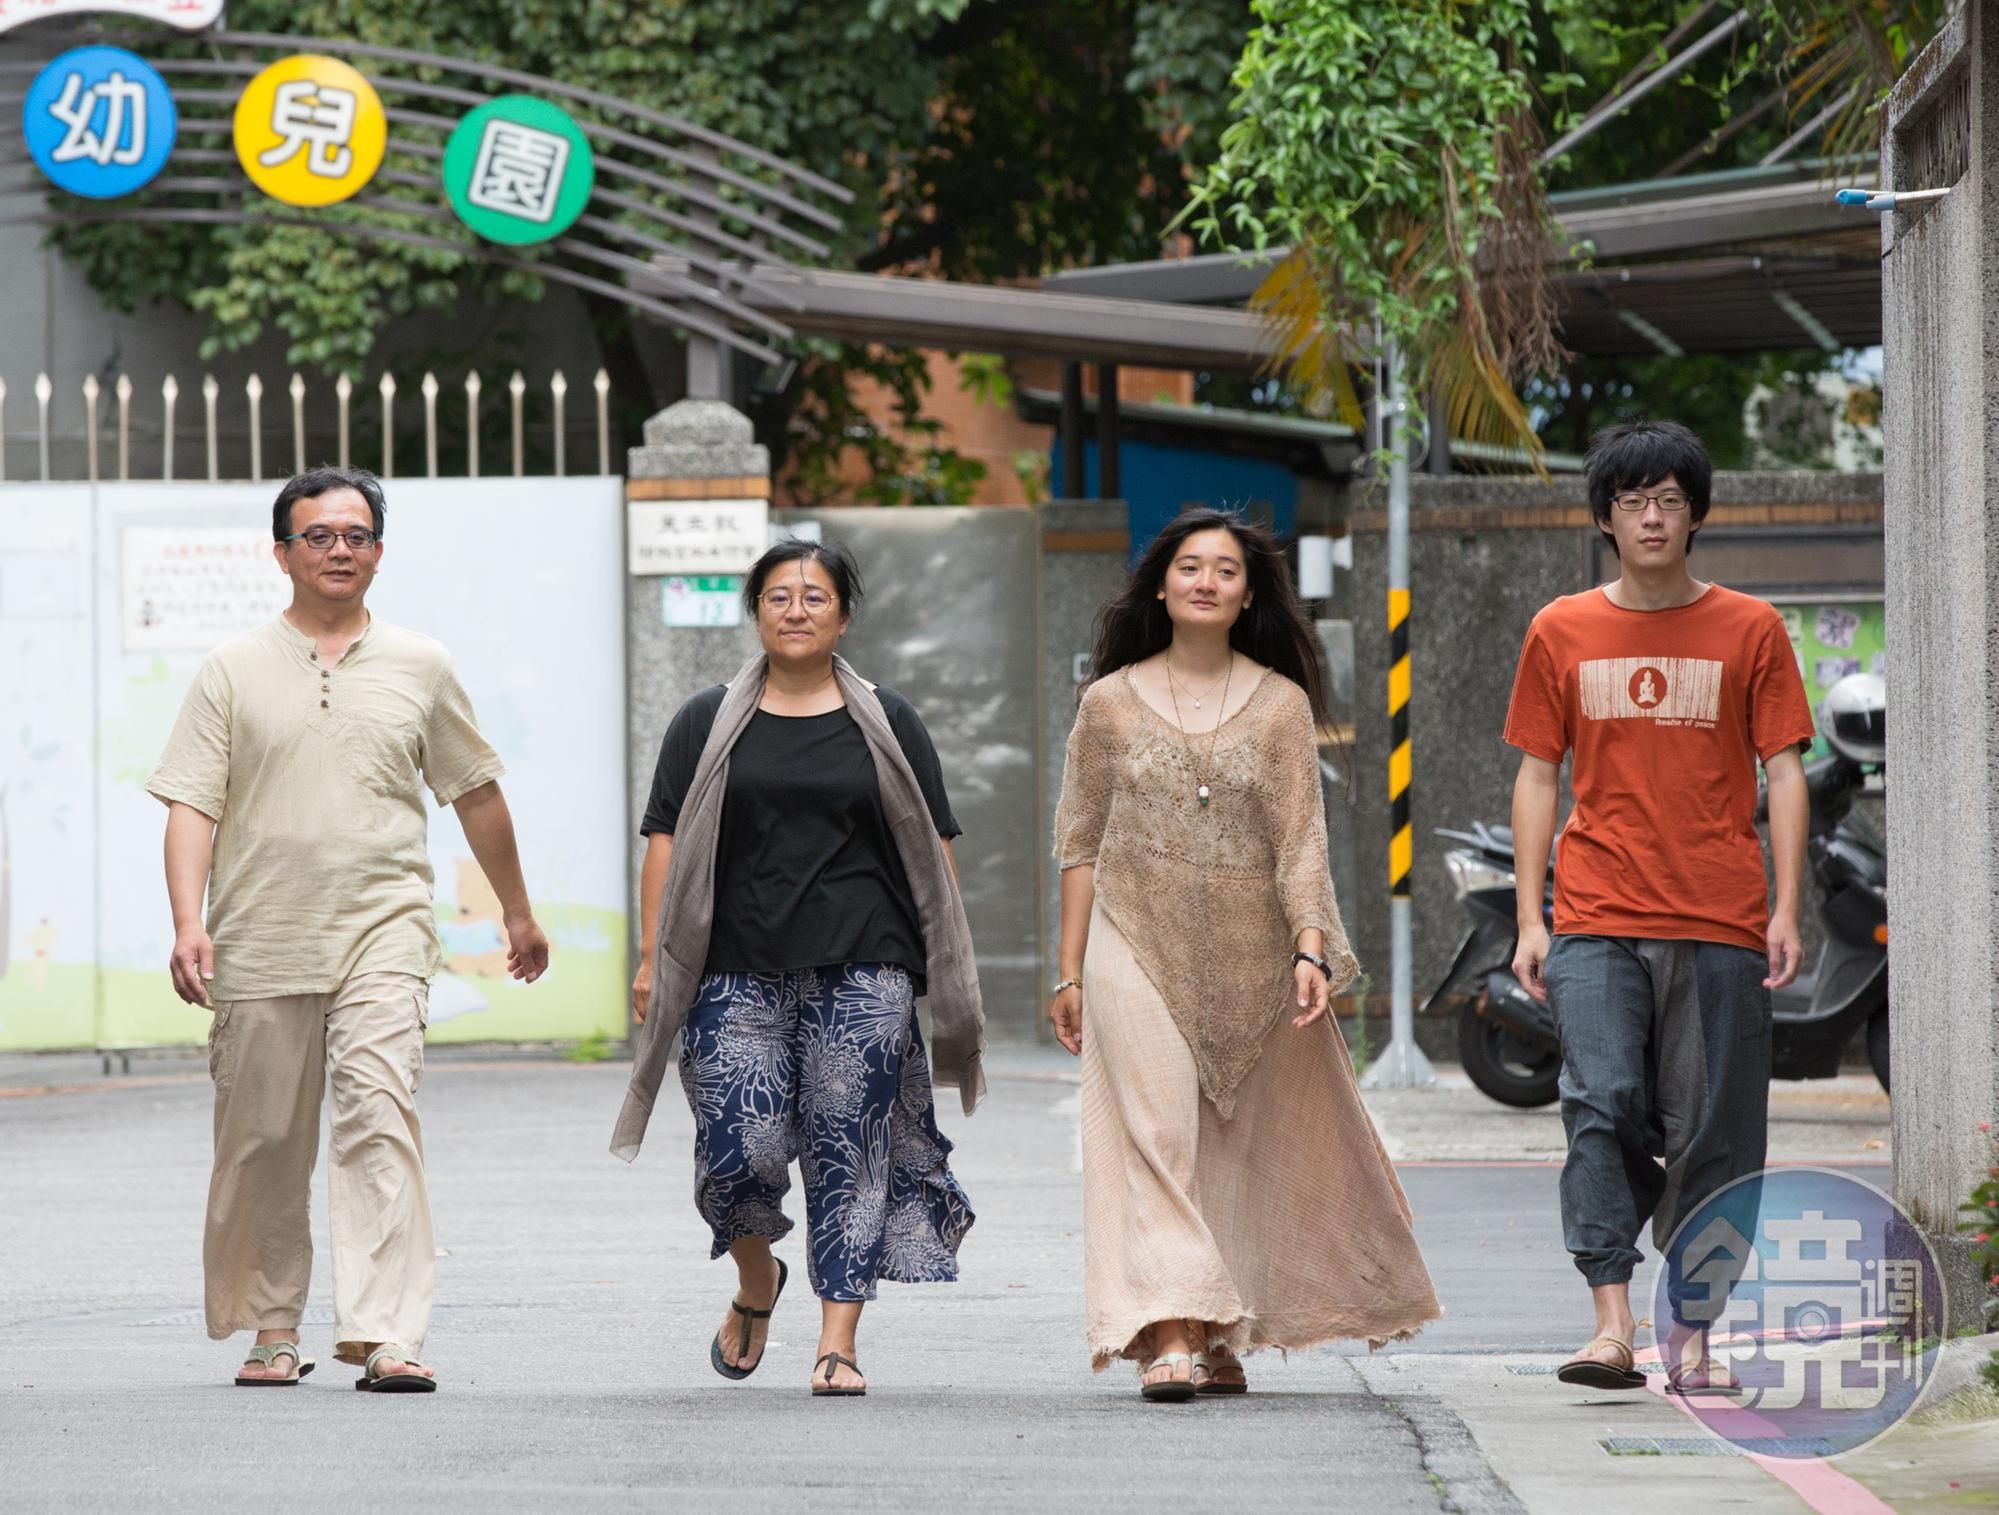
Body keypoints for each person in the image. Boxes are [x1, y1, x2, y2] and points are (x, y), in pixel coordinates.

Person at [148, 465, 550, 1393]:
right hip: (258, 935)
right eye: (319, 535)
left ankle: (386, 1330)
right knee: (262, 1137)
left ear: (379, 549)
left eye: (357, 534)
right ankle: (272, 1324)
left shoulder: (421, 663)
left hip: (386, 929)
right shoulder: (231, 669)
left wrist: (516, 911)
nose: (340, 549)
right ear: (282, 552)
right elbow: (191, 805)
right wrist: (186, 921)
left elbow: (474, 792)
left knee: (378, 1113)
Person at [1050, 507, 1441, 1401]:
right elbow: (1077, 842)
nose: (1204, 581)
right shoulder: (1105, 703)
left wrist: (1310, 947)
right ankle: (1172, 1333)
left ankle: (1221, 1329)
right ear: (1160, 584)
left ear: (1247, 594)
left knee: (1229, 1143)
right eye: (1188, 565)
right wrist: (1069, 970)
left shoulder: (1279, 704)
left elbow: (1300, 841)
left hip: (1253, 950)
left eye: (1224, 570)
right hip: (1130, 940)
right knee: (1156, 1134)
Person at [613, 538, 982, 1398]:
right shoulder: (706, 720)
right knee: (737, 1151)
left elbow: (932, 846)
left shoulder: (887, 721)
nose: (796, 609)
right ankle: (755, 1281)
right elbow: (663, 838)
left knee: (846, 1150)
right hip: (731, 966)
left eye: (815, 597)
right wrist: (649, 957)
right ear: (757, 612)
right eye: (779, 595)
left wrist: (945, 960)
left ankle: (837, 1340)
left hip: (865, 963)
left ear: (843, 616)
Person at [1504, 421, 1813, 1395]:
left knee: (1716, 1130)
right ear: (1603, 517)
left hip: (1720, 915)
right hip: (1593, 912)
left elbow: (1785, 771)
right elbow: (1534, 776)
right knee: (1600, 1105)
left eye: (1669, 499)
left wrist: (1787, 906)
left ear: (1694, 515)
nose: (1650, 515)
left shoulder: (1749, 629)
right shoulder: (1559, 629)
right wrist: (1528, 917)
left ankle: (1695, 1338)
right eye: (1632, 500)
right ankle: (1609, 1325)